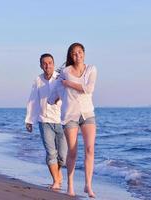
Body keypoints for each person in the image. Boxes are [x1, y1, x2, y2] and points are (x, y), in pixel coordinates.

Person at [48, 43, 97, 198]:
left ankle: (88, 185)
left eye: (80, 52)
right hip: (70, 115)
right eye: (74, 53)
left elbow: (89, 89)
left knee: (90, 149)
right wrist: (54, 98)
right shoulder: (65, 72)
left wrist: (68, 84)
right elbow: (55, 92)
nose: (78, 56)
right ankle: (70, 184)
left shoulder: (91, 69)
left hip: (87, 113)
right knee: (73, 151)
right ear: (70, 56)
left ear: (84, 53)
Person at [25, 53, 67, 189]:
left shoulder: (60, 78)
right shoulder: (38, 80)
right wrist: (29, 120)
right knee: (51, 153)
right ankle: (55, 181)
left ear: (53, 64)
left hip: (62, 121)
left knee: (63, 156)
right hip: (44, 121)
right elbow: (33, 100)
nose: (47, 65)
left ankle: (58, 170)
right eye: (44, 63)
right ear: (41, 65)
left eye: (50, 62)